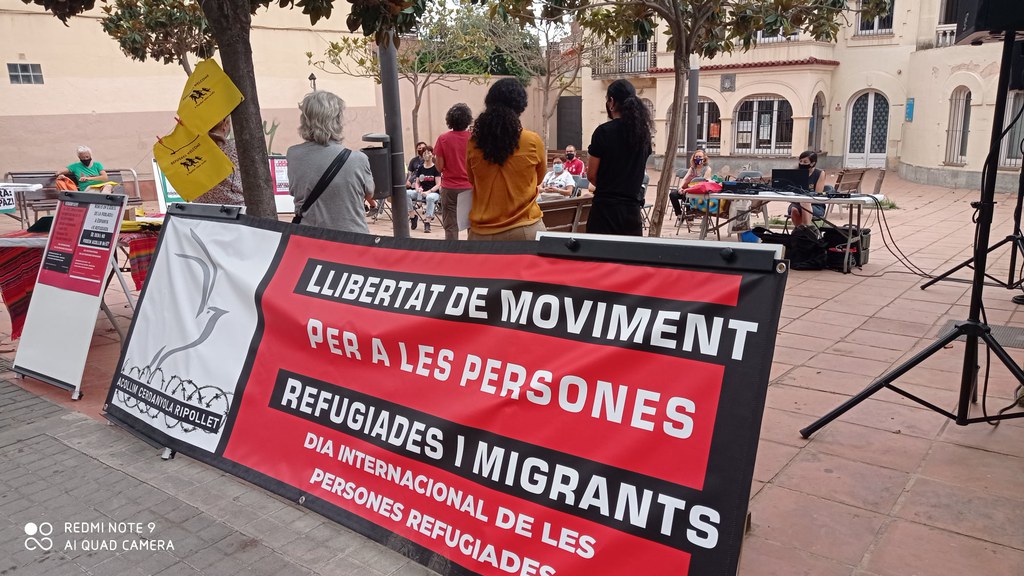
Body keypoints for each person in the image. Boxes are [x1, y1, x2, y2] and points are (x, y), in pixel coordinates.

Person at [466, 78, 546, 241]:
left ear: (489, 103)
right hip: (525, 230)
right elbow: (538, 179)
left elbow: (472, 180)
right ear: (521, 107)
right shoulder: (532, 140)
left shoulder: (474, 143)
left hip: (482, 234)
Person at [287, 91, 374, 233]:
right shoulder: (358, 159)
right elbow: (369, 193)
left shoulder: (293, 154)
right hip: (351, 237)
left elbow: (294, 190)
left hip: (309, 236)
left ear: (305, 119)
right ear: (337, 120)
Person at [586, 79, 653, 236]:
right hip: (632, 213)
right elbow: (638, 172)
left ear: (611, 102)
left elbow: (591, 175)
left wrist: (610, 187)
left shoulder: (603, 132)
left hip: (604, 212)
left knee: (600, 252)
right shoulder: (644, 135)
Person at [434, 103, 473, 241]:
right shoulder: (474, 138)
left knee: (450, 225)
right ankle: (472, 251)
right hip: (470, 187)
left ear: (449, 120)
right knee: (472, 224)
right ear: (468, 119)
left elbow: (439, 167)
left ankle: (452, 251)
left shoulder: (443, 139)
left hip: (450, 188)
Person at [194, 117, 244, 205]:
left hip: (199, 207)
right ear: (225, 125)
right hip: (234, 207)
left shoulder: (192, 150)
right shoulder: (235, 148)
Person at [407, 145, 441, 233]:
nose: (426, 155)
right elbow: (417, 182)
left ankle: (427, 222)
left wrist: (428, 192)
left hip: (433, 193)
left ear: (432, 154)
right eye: (425, 153)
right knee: (406, 193)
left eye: (428, 152)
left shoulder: (436, 168)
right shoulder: (421, 168)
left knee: (430, 198)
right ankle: (413, 216)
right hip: (421, 192)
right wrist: (417, 188)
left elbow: (438, 184)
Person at [669, 148, 713, 217]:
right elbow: (684, 179)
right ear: (693, 158)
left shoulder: (707, 169)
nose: (698, 158)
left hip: (698, 192)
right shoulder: (692, 168)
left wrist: (688, 190)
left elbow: (704, 182)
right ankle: (679, 214)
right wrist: (680, 188)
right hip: (688, 190)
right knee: (673, 194)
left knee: (686, 196)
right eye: (696, 157)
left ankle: (689, 214)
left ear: (704, 158)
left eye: (700, 157)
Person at [788, 150, 827, 227]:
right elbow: (790, 190)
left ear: (813, 163)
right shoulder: (796, 172)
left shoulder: (820, 173)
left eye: (805, 162)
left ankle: (807, 230)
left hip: (815, 205)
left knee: (805, 203)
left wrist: (805, 199)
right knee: (794, 209)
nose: (802, 164)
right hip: (797, 203)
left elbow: (818, 194)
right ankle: (799, 231)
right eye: (800, 161)